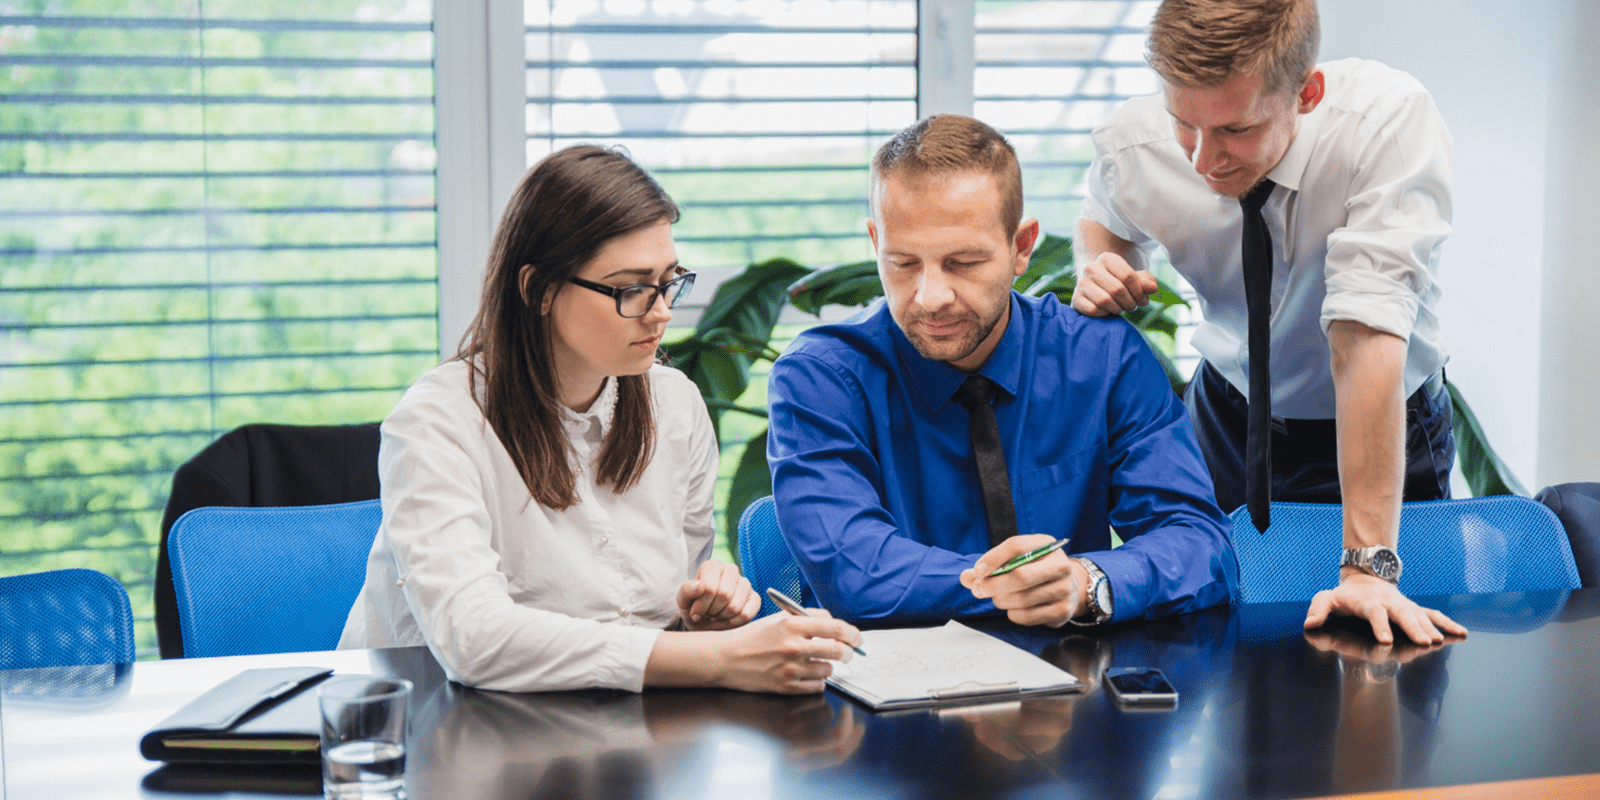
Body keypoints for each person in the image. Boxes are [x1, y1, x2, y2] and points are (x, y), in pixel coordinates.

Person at [339, 145, 861, 694]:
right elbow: (475, 639)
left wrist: (699, 618)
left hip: (605, 730)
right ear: (538, 289)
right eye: (631, 288)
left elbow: (654, 624)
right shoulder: (438, 420)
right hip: (435, 730)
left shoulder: (675, 407)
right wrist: (712, 658)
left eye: (668, 280)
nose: (661, 311)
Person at [1072, 0, 1467, 645]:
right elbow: (1104, 217)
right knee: (1219, 635)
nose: (1203, 160)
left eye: (1234, 129)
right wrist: (1102, 263)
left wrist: (1366, 569)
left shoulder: (1386, 123)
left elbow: (1364, 339)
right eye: (1184, 124)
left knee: (1385, 649)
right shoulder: (1136, 141)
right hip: (1229, 417)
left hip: (1381, 415)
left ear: (1306, 93)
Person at [767, 115, 1236, 628]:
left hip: (1076, 690)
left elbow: (1199, 546)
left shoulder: (1103, 359)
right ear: (875, 240)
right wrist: (1024, 587)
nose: (930, 297)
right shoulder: (820, 380)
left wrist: (1087, 582)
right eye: (902, 262)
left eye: (962, 262)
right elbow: (855, 574)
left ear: (1021, 247)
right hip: (887, 695)